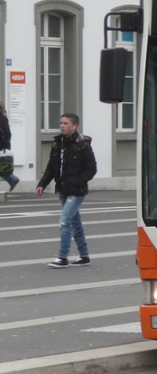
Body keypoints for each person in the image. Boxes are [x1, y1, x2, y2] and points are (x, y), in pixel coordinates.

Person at [36, 113, 97, 268]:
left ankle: (63, 257)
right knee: (75, 223)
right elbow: (51, 167)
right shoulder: (58, 144)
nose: (62, 126)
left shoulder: (83, 144)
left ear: (74, 126)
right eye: (61, 123)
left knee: (64, 221)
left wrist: (78, 182)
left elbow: (91, 169)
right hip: (63, 189)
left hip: (77, 191)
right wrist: (42, 184)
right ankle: (84, 256)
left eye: (66, 123)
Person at [0, 98, 19, 192]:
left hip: (2, 147)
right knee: (2, 167)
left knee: (2, 167)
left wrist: (4, 147)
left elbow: (7, 133)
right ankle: (13, 179)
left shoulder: (2, 118)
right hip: (2, 146)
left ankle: (13, 179)